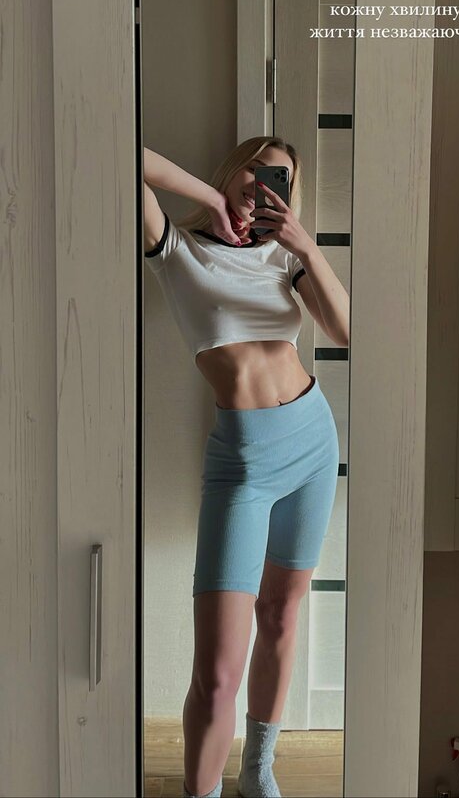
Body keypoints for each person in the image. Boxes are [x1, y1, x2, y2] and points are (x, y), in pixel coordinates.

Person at [143, 137, 350, 798]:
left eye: (280, 179)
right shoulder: (176, 248)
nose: (264, 186)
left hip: (312, 441)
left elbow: (348, 332)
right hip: (243, 465)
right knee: (217, 674)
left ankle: (258, 770)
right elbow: (123, 152)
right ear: (234, 169)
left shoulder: (280, 258)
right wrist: (210, 199)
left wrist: (305, 246)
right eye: (256, 170)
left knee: (283, 617)